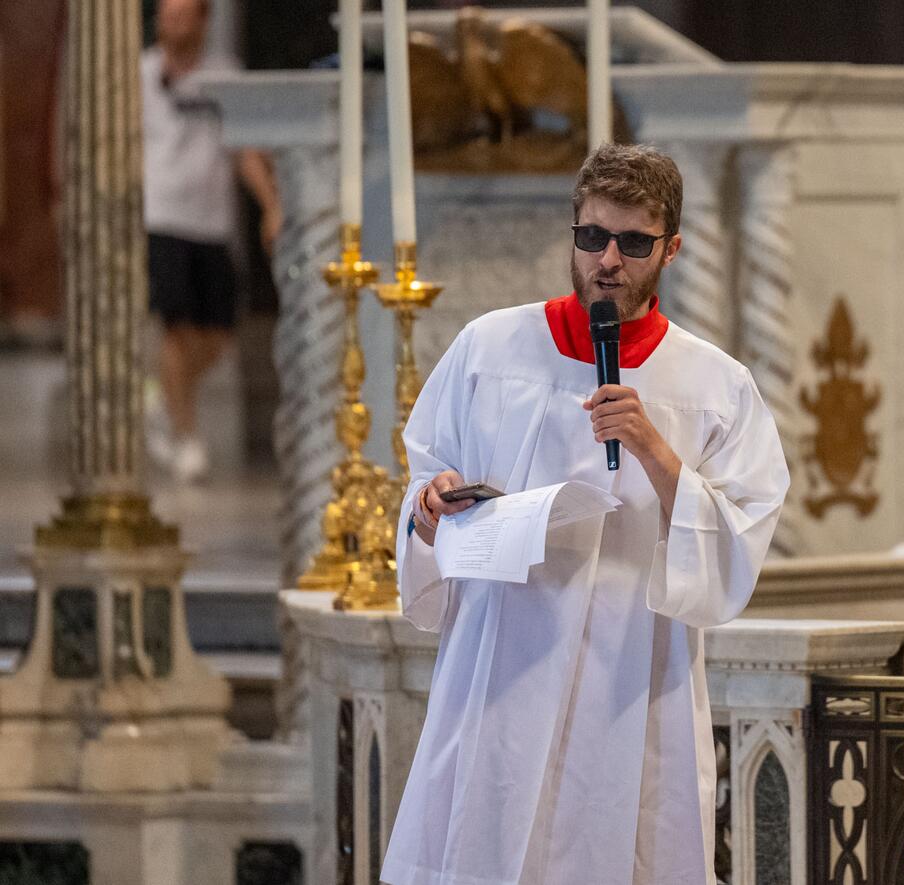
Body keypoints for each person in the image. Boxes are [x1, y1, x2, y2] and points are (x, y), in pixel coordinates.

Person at [382, 143, 790, 885]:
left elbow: (739, 537)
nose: (608, 260)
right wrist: (430, 507)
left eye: (633, 243)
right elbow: (423, 480)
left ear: (671, 248)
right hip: (501, 662)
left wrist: (656, 451)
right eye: (593, 236)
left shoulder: (714, 384)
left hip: (632, 676)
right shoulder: (489, 348)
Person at [141, 0, 281, 481]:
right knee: (176, 328)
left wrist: (271, 205)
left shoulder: (225, 76)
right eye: (167, 16)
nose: (172, 25)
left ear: (203, 22)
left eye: (183, 16)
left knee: (219, 336)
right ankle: (186, 435)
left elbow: (245, 149)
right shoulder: (140, 74)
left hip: (212, 221)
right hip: (161, 215)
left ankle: (163, 398)